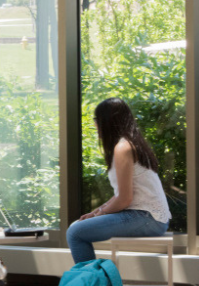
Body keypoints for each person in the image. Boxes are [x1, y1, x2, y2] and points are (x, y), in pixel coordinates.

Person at [66, 97, 171, 264]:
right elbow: (121, 196)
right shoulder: (129, 143)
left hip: (146, 218)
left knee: (75, 232)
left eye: (96, 119)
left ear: (107, 121)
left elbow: (124, 199)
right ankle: (93, 281)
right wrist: (96, 212)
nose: (95, 125)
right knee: (76, 228)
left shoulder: (123, 148)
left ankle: (92, 283)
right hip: (151, 217)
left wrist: (99, 213)